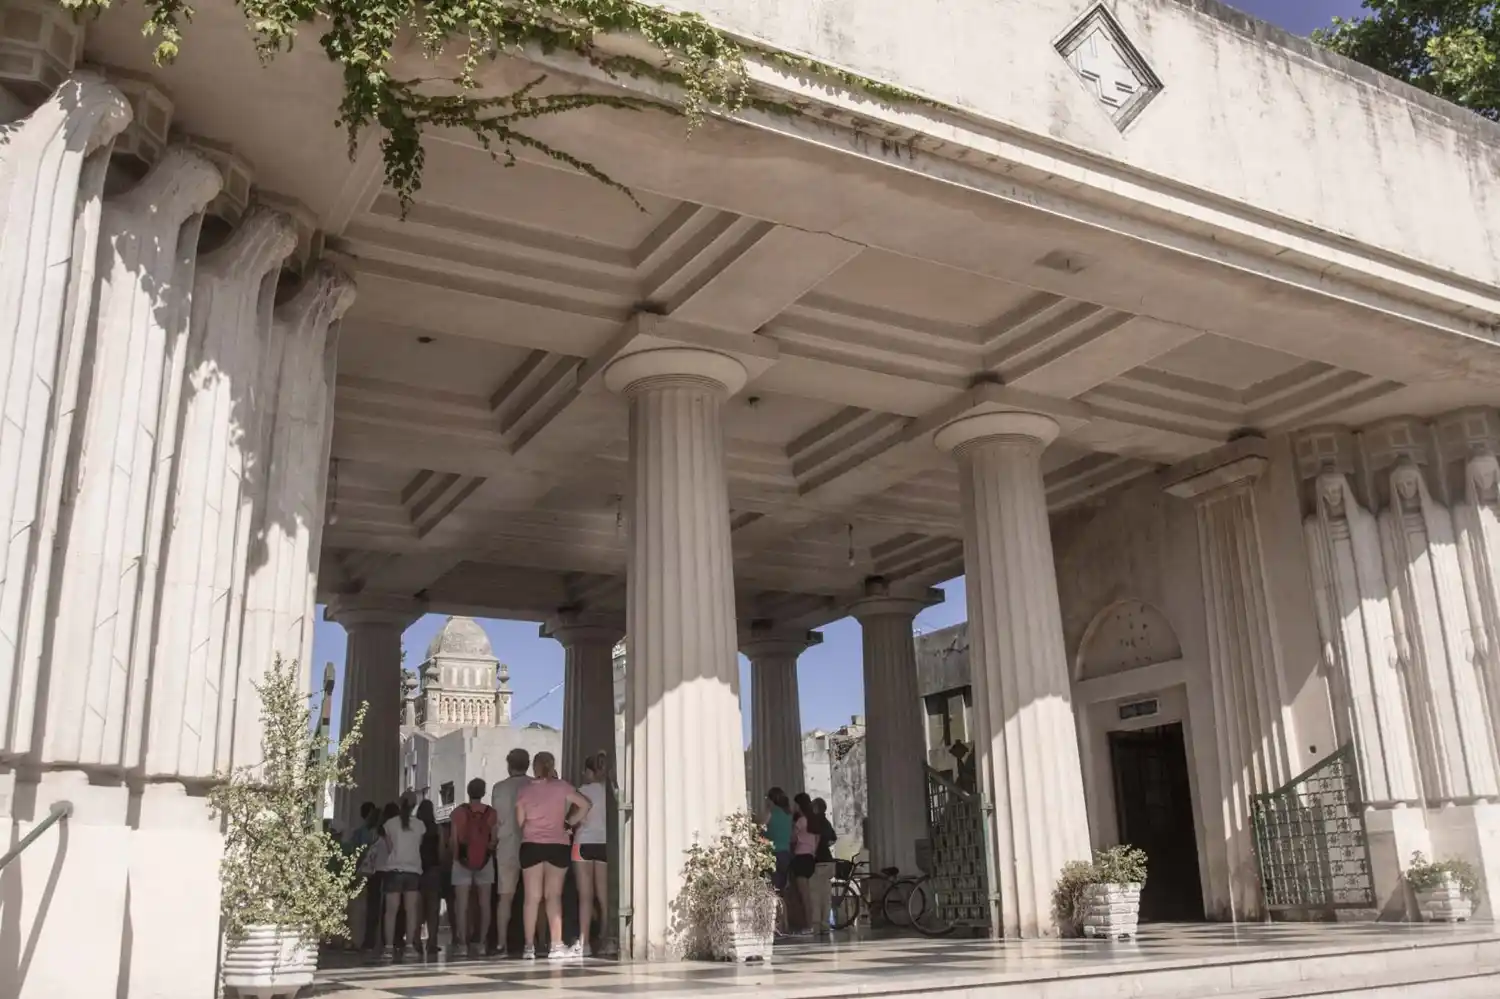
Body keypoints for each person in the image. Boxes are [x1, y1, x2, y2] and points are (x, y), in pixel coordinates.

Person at [516, 751, 591, 961]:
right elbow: (586, 804)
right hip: (557, 844)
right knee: (553, 896)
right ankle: (556, 945)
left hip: (531, 845)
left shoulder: (524, 791)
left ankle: (529, 946)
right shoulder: (563, 787)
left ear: (534, 767)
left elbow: (520, 821)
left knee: (531, 899)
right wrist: (568, 824)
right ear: (553, 765)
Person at [490, 747, 531, 955]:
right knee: (535, 896)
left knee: (505, 897)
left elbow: (495, 822)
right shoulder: (535, 785)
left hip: (505, 844)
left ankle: (501, 944)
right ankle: (535, 943)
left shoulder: (499, 788)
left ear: (509, 765)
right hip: (532, 842)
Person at [451, 777, 497, 958]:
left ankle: (462, 944)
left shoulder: (458, 813)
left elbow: (453, 840)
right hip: (485, 861)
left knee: (461, 905)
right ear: (483, 792)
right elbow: (494, 840)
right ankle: (482, 943)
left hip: (462, 861)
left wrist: (457, 858)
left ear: (468, 792)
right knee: (484, 904)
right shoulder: (491, 813)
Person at [571, 752, 610, 957]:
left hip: (583, 843)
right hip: (603, 843)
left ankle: (584, 941)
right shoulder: (609, 792)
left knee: (585, 895)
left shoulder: (581, 791)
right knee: (603, 896)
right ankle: (606, 938)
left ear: (589, 771)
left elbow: (575, 817)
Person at [380, 797, 425, 962]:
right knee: (411, 911)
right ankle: (410, 947)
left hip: (394, 870)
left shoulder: (390, 824)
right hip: (413, 870)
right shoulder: (420, 825)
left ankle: (388, 948)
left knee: (391, 912)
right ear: (414, 806)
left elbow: (389, 848)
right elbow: (418, 846)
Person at [761, 788, 793, 933]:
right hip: (785, 854)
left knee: (770, 891)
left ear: (771, 799)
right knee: (781, 891)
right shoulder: (788, 815)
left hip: (772, 855)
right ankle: (784, 923)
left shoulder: (769, 814)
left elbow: (758, 828)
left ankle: (773, 925)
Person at [416, 800, 443, 957]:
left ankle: (417, 942)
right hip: (433, 870)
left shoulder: (416, 828)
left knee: (418, 909)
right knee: (433, 910)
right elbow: (441, 851)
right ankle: (432, 943)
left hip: (418, 870)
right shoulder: (437, 829)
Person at [790, 793, 819, 935]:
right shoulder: (813, 820)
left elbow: (792, 838)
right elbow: (817, 838)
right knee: (808, 894)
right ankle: (810, 923)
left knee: (803, 895)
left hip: (800, 857)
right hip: (810, 858)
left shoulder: (801, 821)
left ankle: (808, 925)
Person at [809, 798, 838, 935]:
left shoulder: (814, 821)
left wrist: (815, 851)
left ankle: (816, 925)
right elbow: (833, 839)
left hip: (818, 862)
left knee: (815, 895)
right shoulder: (827, 822)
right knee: (826, 896)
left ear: (815, 808)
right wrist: (825, 846)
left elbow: (816, 839)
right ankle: (825, 924)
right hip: (829, 861)